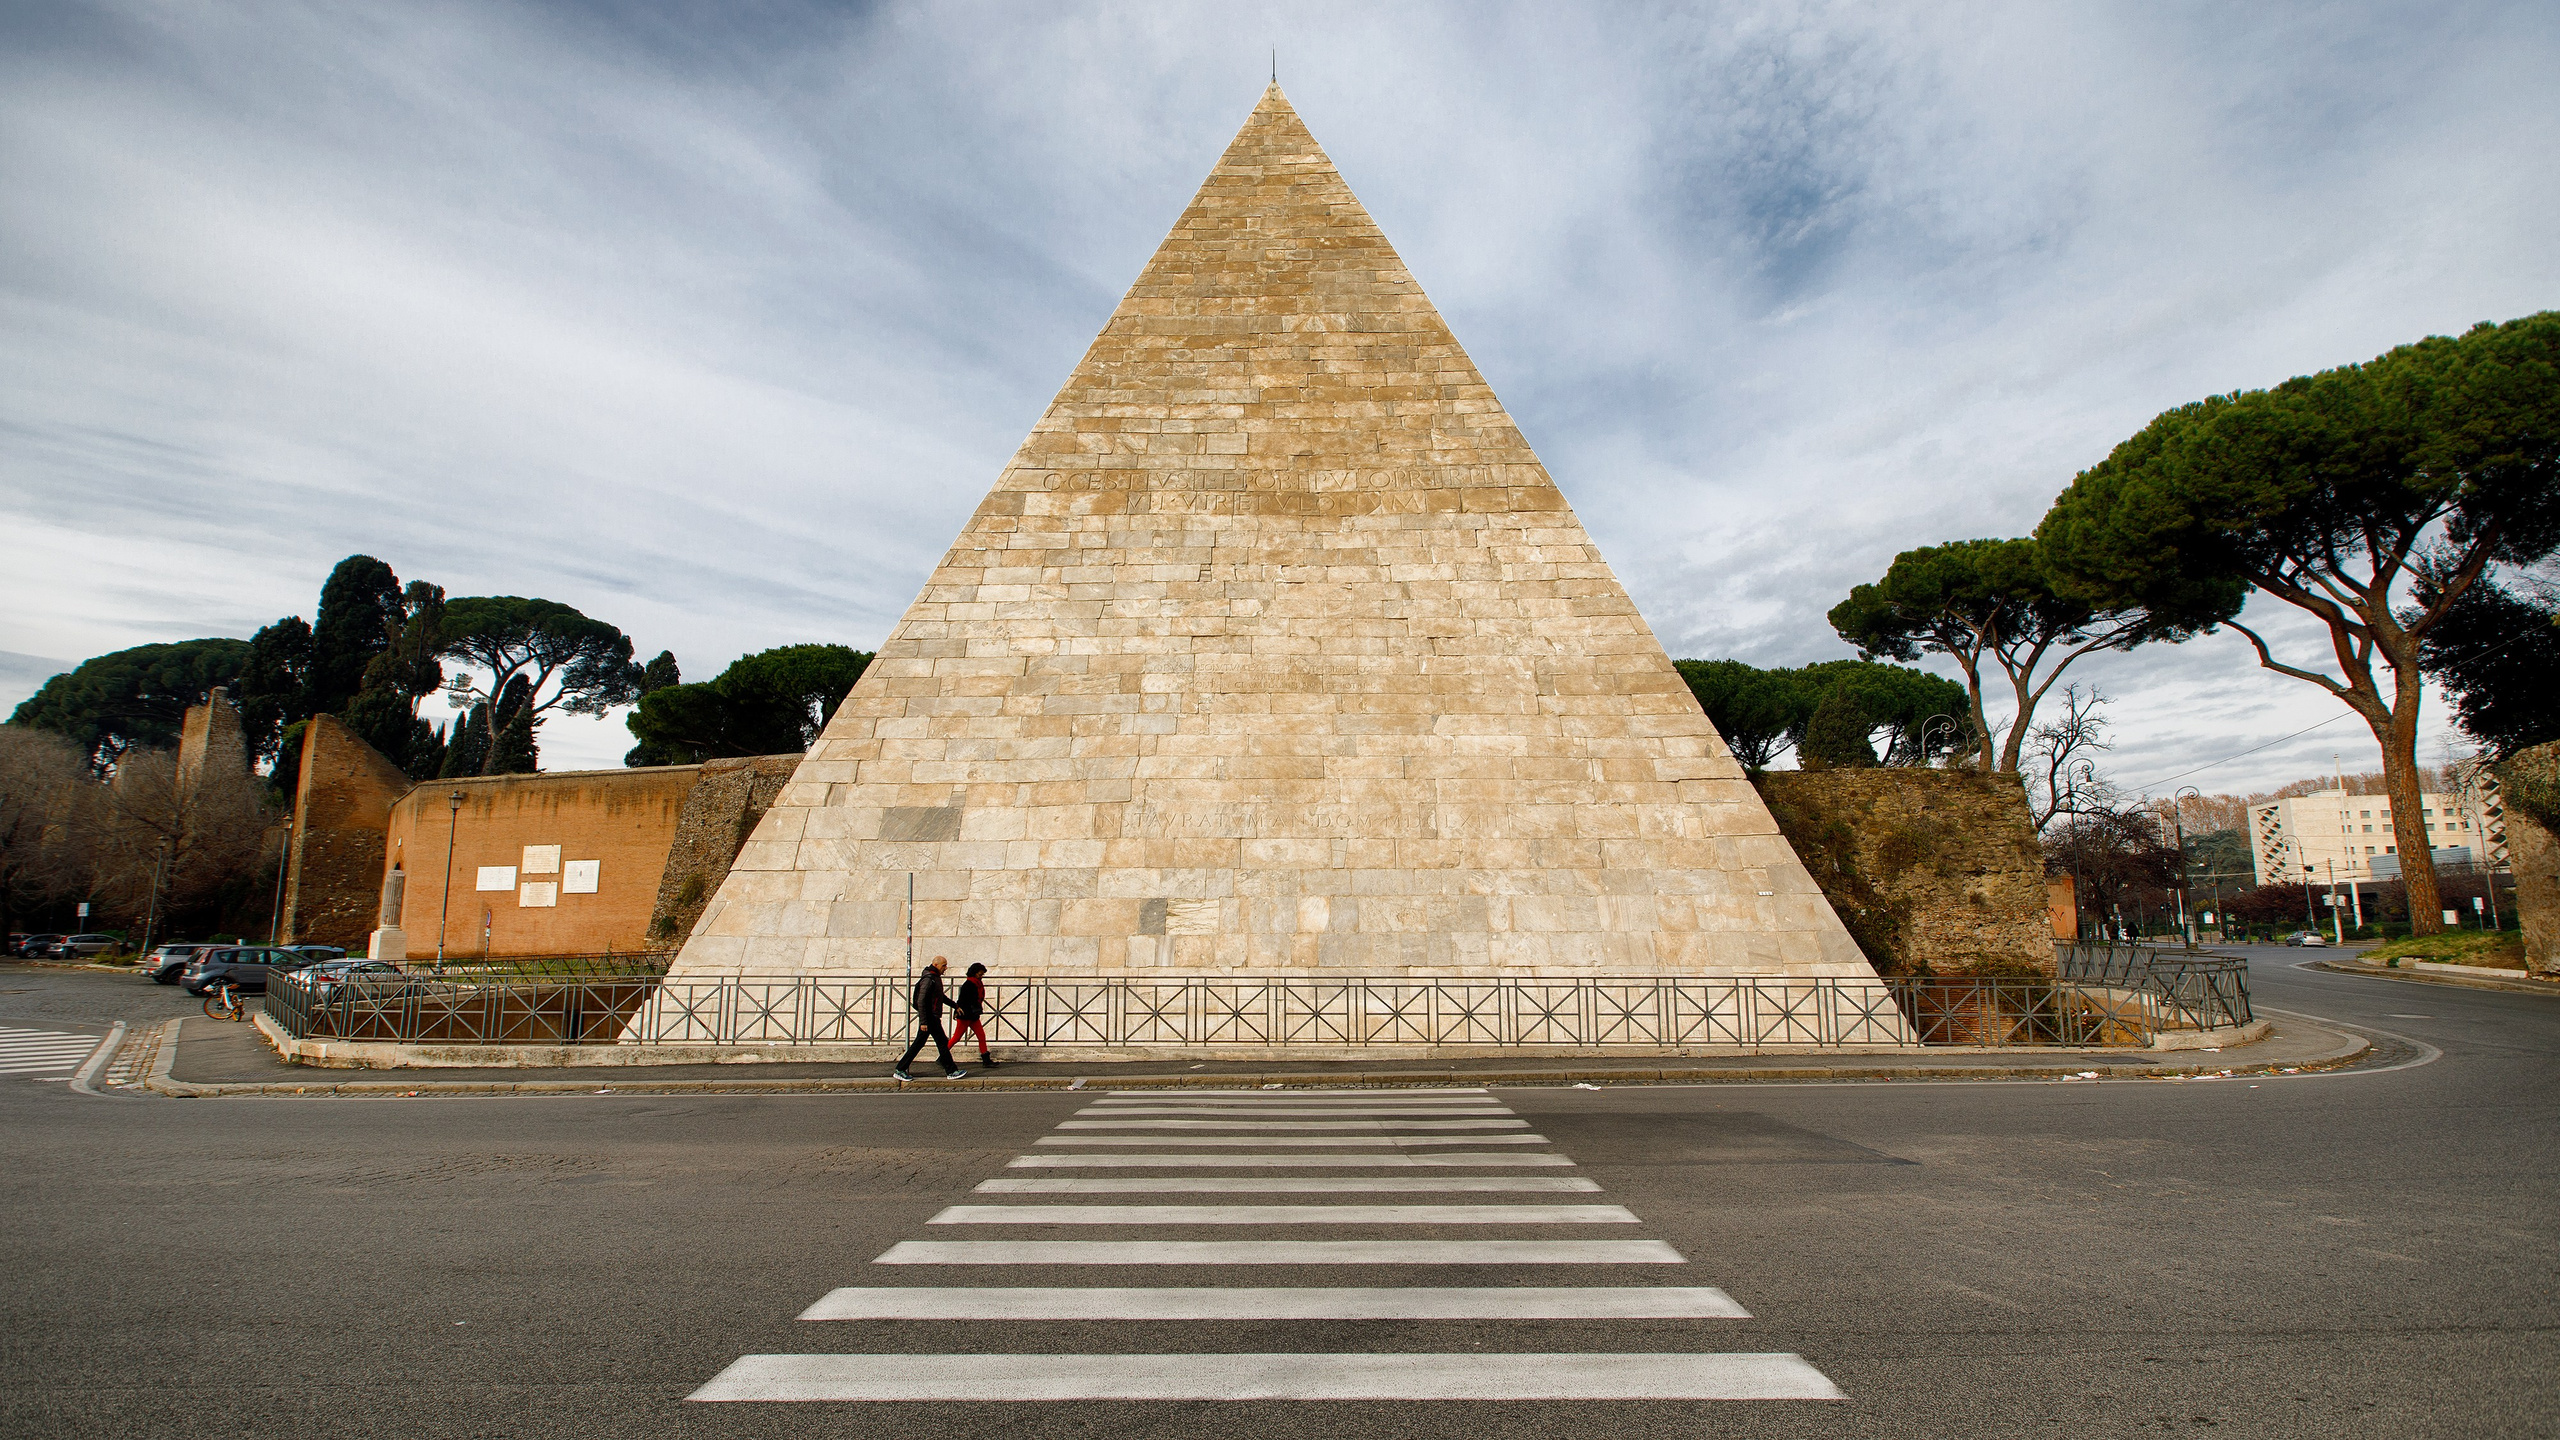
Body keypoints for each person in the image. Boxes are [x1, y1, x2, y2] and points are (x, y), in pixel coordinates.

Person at [893, 956, 967, 1082]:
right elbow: (921, 1001)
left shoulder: (934, 978)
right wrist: (923, 1022)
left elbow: (940, 997)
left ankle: (901, 1069)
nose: (945, 968)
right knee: (940, 1043)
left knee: (925, 1043)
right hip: (930, 1017)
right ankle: (951, 1071)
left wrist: (955, 1005)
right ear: (936, 965)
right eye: (944, 965)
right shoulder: (929, 979)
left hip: (931, 1017)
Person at [949, 962, 996, 1069]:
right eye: (980, 974)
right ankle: (943, 1056)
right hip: (965, 1016)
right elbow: (961, 1000)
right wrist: (957, 1010)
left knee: (981, 1036)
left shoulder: (977, 983)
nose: (981, 976)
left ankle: (986, 1060)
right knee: (956, 1038)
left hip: (973, 1015)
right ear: (974, 973)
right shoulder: (968, 984)